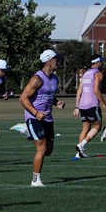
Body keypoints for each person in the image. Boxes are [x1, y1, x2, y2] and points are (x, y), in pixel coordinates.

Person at [20, 50, 66, 187]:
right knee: (41, 148)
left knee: (48, 151)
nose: (58, 62)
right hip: (34, 117)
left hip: (47, 117)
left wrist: (56, 102)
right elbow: (23, 98)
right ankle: (36, 180)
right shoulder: (37, 79)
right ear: (49, 61)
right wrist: (35, 113)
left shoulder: (55, 79)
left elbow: (48, 96)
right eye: (56, 59)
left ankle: (28, 132)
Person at [73, 55, 105, 159]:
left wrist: (77, 107)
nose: (102, 63)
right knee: (97, 126)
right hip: (92, 104)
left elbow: (79, 91)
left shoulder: (85, 73)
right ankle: (81, 145)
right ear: (96, 63)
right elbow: (96, 90)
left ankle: (79, 153)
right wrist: (103, 103)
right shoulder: (98, 73)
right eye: (101, 61)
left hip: (82, 105)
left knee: (85, 128)